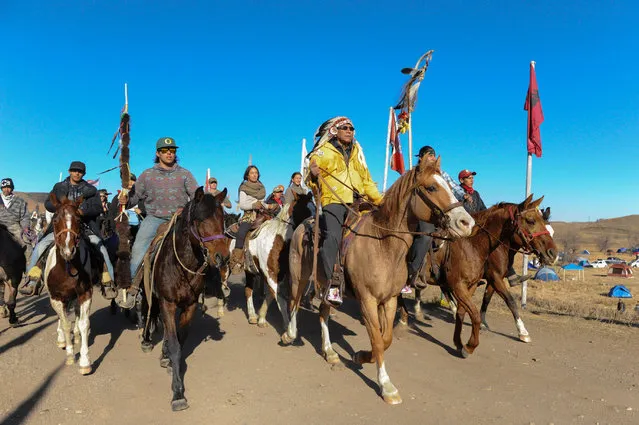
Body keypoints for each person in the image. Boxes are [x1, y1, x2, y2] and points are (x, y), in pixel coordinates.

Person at [307, 116, 383, 306]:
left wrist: (380, 201)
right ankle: (332, 283)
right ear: (335, 131)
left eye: (351, 128)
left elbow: (366, 179)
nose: (349, 131)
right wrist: (314, 175)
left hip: (358, 201)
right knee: (332, 236)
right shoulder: (323, 151)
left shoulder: (357, 152)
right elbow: (312, 176)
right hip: (334, 200)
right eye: (345, 128)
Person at [20, 162, 115, 296]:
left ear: (83, 174)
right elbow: (48, 203)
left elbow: (98, 207)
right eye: (74, 171)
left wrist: (82, 211)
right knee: (41, 246)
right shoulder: (59, 187)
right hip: (62, 227)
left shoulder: (91, 190)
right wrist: (60, 208)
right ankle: (32, 280)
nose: (77, 173)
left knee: (102, 249)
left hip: (84, 226)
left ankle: (108, 282)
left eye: (80, 172)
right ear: (69, 171)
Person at [125, 137, 199, 301]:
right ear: (158, 153)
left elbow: (196, 197)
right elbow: (134, 197)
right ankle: (134, 290)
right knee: (138, 249)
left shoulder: (185, 174)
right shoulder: (147, 175)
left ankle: (211, 284)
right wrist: (125, 199)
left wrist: (187, 209)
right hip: (154, 218)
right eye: (165, 151)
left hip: (179, 220)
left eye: (172, 151)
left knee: (202, 245)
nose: (169, 154)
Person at [228, 165, 278, 272]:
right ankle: (237, 261)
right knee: (241, 233)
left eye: (256, 173)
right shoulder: (244, 188)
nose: (254, 175)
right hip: (249, 215)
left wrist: (269, 206)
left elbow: (262, 202)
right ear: (247, 175)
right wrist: (253, 205)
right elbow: (242, 205)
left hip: (262, 213)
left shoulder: (261, 187)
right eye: (252, 173)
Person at [0, 178, 32, 257]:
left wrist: (25, 228)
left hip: (14, 226)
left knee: (26, 244)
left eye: (8, 187)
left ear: (12, 188)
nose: (6, 189)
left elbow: (24, 217)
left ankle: (29, 266)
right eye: (4, 187)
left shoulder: (20, 201)